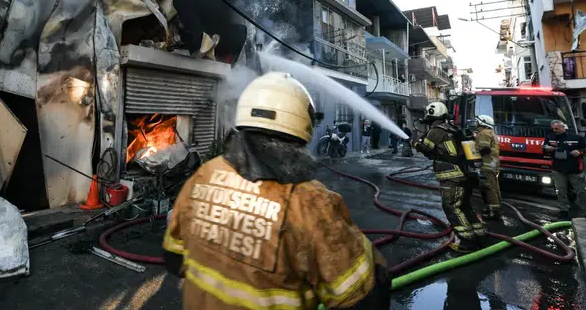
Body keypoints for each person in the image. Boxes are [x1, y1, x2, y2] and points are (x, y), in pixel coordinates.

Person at [163, 72, 391, 310]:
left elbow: (173, 258)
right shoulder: (310, 202)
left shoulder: (205, 174)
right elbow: (365, 297)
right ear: (302, 123)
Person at [414, 102, 486, 253]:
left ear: (432, 114)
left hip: (452, 176)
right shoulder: (453, 129)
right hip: (467, 175)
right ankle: (479, 236)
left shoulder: (436, 131)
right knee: (465, 206)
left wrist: (415, 143)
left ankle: (468, 243)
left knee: (452, 207)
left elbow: (426, 148)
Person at [542, 120, 586, 220]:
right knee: (561, 191)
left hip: (574, 169)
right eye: (553, 129)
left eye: (556, 128)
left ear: (563, 127)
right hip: (558, 169)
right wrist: (547, 149)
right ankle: (563, 211)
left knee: (581, 192)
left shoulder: (576, 138)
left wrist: (579, 151)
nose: (555, 130)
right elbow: (543, 149)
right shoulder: (550, 138)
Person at [474, 115, 501, 221]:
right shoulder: (490, 133)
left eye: (477, 122)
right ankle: (494, 208)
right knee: (494, 187)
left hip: (487, 164)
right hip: (493, 164)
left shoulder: (483, 133)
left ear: (482, 123)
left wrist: (472, 154)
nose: (475, 123)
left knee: (488, 188)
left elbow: (484, 149)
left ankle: (494, 212)